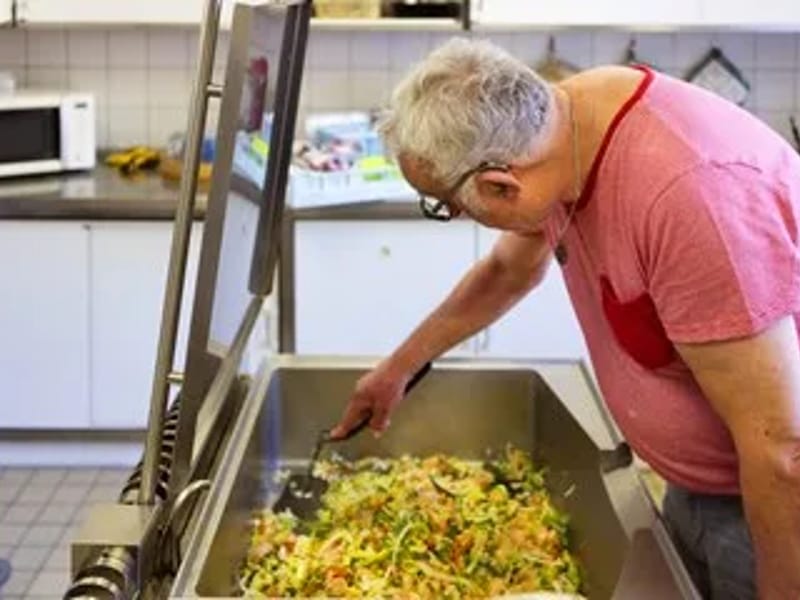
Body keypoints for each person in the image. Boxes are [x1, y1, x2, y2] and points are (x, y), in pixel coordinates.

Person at [330, 38, 800, 599]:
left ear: (501, 184)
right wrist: (399, 368)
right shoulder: (559, 131)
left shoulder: (694, 196)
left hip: (768, 505)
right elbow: (508, 271)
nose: (455, 219)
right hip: (699, 485)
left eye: (446, 205)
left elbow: (783, 453)